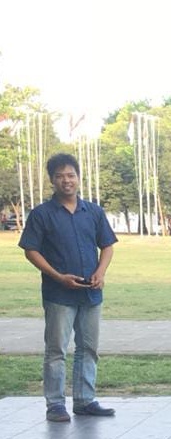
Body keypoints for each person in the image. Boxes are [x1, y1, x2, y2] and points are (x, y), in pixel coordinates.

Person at [19, 153, 118, 422]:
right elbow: (30, 250)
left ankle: (85, 400)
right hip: (59, 294)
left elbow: (107, 245)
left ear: (78, 177)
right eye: (60, 175)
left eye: (71, 175)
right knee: (56, 350)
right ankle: (55, 404)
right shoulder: (42, 214)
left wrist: (100, 272)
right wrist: (57, 275)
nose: (67, 180)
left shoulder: (94, 212)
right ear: (52, 180)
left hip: (91, 292)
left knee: (89, 348)